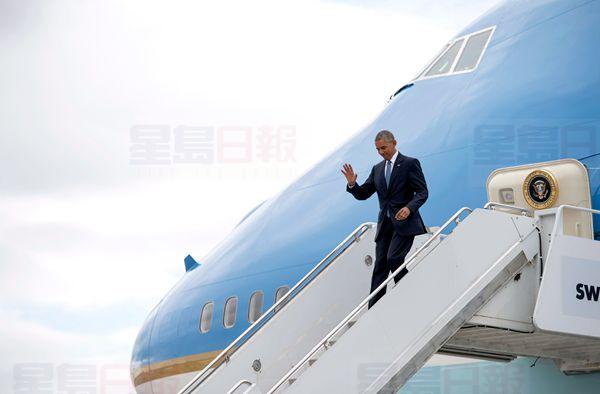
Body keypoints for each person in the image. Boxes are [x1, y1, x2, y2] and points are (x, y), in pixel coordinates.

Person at [341, 130, 428, 309]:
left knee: (394, 258)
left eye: (384, 148)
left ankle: (409, 291)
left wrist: (409, 208)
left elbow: (422, 192)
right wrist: (352, 184)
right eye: (378, 149)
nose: (381, 152)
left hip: (405, 223)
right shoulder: (377, 169)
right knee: (380, 266)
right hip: (385, 224)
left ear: (394, 143)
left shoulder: (410, 164)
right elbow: (364, 193)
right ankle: (374, 308)